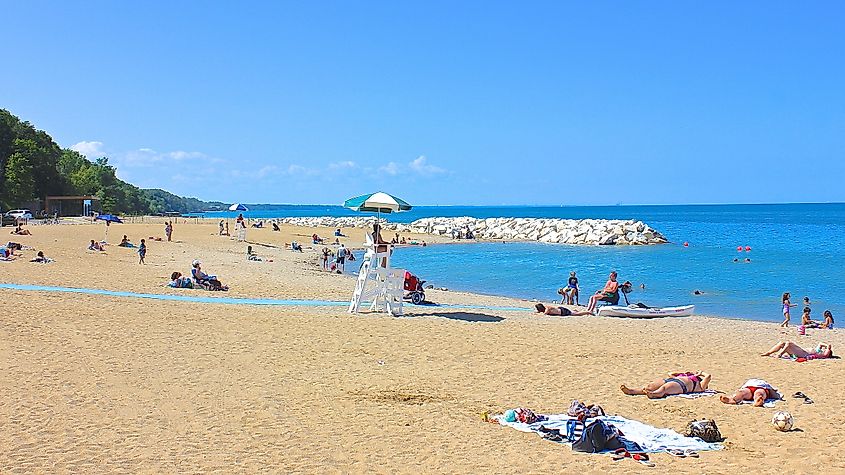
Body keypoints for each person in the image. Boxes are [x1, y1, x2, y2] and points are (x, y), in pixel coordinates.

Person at [621, 371, 712, 399]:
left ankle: (654, 394)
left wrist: (700, 373)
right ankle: (631, 391)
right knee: (649, 386)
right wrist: (684, 373)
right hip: (673, 380)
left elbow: (708, 376)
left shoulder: (700, 386)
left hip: (681, 385)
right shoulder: (686, 376)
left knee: (664, 388)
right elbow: (670, 373)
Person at [761, 341, 832, 360]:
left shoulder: (823, 355)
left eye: (827, 350)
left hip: (804, 354)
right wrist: (826, 345)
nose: (825, 349)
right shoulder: (818, 350)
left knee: (788, 343)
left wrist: (828, 348)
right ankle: (768, 352)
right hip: (801, 351)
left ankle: (779, 354)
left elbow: (827, 352)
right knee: (782, 343)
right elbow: (820, 343)